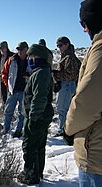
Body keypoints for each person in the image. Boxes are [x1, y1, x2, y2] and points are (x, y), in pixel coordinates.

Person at [64, 0, 102, 186]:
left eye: (84, 24)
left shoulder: (100, 49)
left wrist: (69, 128)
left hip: (96, 154)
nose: (84, 30)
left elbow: (88, 101)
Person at [18, 44, 54, 185]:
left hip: (37, 117)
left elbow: (39, 98)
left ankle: (31, 175)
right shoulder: (42, 72)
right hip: (40, 116)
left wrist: (33, 117)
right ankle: (36, 173)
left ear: (40, 58)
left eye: (32, 57)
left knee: (30, 146)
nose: (30, 60)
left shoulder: (41, 73)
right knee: (38, 145)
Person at [52, 36, 81, 136]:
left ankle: (63, 131)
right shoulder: (67, 56)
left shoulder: (69, 57)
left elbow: (70, 75)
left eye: (60, 45)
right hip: (68, 85)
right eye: (57, 46)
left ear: (67, 45)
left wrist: (56, 74)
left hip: (67, 85)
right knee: (65, 109)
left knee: (62, 109)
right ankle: (66, 130)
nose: (59, 48)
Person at [1, 41, 29, 138]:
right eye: (18, 49)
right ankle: (6, 129)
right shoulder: (11, 60)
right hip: (12, 91)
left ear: (26, 49)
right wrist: (8, 85)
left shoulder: (30, 61)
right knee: (8, 111)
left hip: (24, 91)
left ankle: (18, 131)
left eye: (22, 49)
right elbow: (4, 73)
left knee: (22, 113)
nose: (20, 51)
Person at [0, 41, 14, 105]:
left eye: (3, 48)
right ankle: (5, 110)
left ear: (6, 48)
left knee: (10, 97)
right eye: (0, 48)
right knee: (3, 96)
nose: (1, 49)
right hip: (2, 79)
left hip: (9, 79)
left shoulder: (12, 56)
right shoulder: (0, 56)